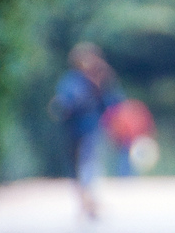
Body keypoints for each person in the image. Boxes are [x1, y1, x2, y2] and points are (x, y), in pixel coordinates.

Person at [48, 42, 123, 218]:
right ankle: (84, 199)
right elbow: (65, 102)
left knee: (89, 161)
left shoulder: (103, 78)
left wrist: (103, 86)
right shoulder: (72, 80)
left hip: (92, 127)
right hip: (74, 128)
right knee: (76, 166)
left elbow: (114, 102)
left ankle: (89, 198)